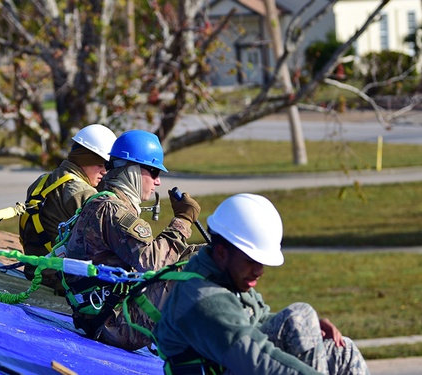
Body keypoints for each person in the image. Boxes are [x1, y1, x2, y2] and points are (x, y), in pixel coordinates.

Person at [153, 193, 370, 375]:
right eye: (251, 261)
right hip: (240, 365)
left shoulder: (226, 277)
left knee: (342, 351)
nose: (259, 271)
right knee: (301, 315)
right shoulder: (204, 299)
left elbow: (259, 320)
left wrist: (309, 328)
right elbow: (259, 362)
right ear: (221, 253)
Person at [64, 129, 204, 351]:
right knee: (202, 268)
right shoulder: (112, 209)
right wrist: (183, 220)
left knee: (205, 255)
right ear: (132, 170)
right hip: (111, 324)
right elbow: (153, 263)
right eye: (154, 172)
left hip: (108, 313)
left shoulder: (107, 202)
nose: (158, 182)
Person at [19, 124, 117, 293]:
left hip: (35, 271)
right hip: (58, 281)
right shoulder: (82, 192)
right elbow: (109, 241)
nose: (104, 172)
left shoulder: (43, 181)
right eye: (101, 164)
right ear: (86, 160)